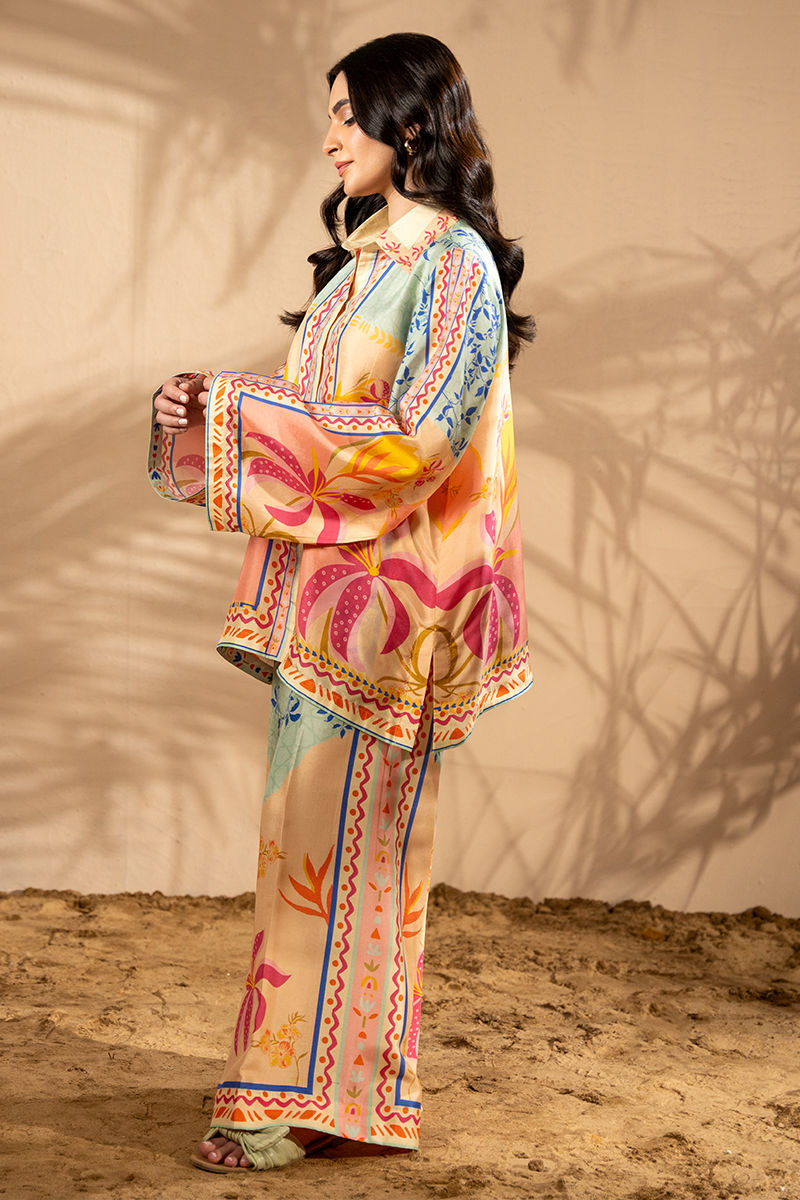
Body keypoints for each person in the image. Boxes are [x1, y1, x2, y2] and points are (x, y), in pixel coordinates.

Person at [149, 31, 534, 1174]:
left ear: (409, 122)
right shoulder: (368, 263)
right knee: (312, 853)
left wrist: (240, 416)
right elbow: (333, 416)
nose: (327, 136)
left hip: (389, 612)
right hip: (330, 600)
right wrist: (210, 409)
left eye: (343, 113)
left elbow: (420, 438)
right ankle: (330, 1098)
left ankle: (288, 1104)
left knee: (347, 857)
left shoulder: (452, 264)